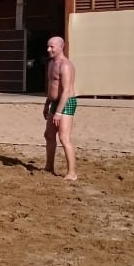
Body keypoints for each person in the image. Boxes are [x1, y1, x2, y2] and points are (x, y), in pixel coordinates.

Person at [43, 36, 78, 181]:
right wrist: (47, 104)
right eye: (48, 46)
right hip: (54, 102)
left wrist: (58, 112)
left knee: (64, 137)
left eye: (52, 47)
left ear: (61, 47)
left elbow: (66, 91)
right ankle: (49, 166)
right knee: (49, 135)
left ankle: (72, 173)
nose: (48, 49)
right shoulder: (51, 64)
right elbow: (52, 87)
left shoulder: (66, 65)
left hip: (67, 102)